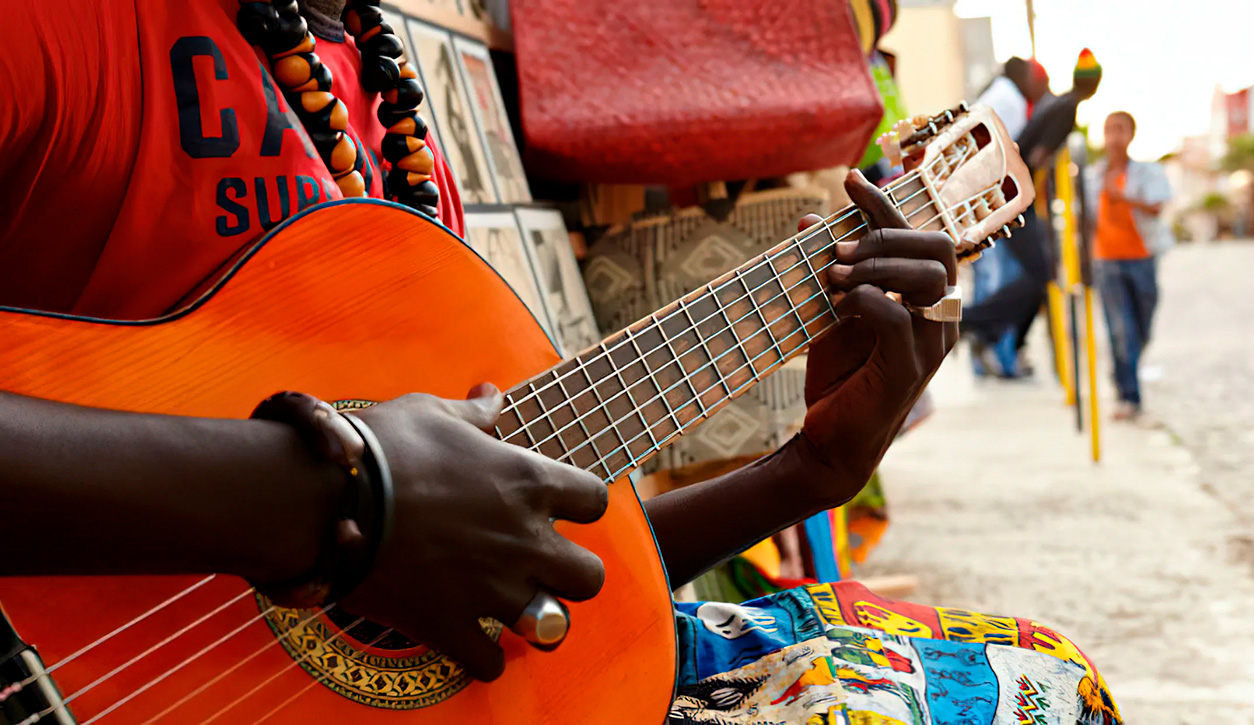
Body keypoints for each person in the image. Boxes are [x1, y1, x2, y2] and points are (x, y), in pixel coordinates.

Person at [0, 3, 1123, 722]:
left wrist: (805, 470)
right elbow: (383, 513)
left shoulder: (364, 74)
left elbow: (481, 551)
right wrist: (334, 493)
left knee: (1040, 683)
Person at [962, 49, 1104, 378]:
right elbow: (1038, 157)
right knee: (1042, 277)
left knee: (1042, 280)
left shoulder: (1059, 103)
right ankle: (973, 322)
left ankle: (987, 329)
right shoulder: (1066, 108)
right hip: (1016, 201)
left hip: (1015, 199)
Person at [1083, 111, 1172, 422]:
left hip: (1142, 257)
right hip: (1106, 261)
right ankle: (1129, 395)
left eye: (1120, 129)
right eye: (1109, 130)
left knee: (1142, 328)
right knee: (1121, 330)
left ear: (1131, 134)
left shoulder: (1147, 173)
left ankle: (1125, 373)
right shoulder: (1092, 176)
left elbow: (1159, 206)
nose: (1114, 136)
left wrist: (1126, 198)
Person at [968, 57, 1049, 377]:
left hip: (989, 200)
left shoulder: (1000, 96)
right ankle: (989, 345)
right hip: (996, 201)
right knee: (1003, 278)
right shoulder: (1010, 100)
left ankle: (989, 347)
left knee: (998, 278)